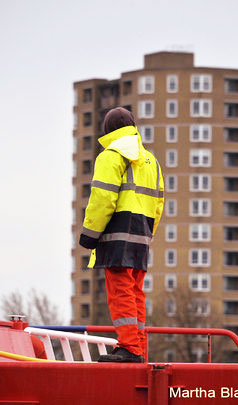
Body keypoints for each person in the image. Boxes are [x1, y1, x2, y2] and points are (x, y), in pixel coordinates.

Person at [79, 107, 164, 362]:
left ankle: (128, 347)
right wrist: (149, 235)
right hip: (142, 234)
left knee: (120, 291)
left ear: (108, 132)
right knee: (136, 292)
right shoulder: (152, 161)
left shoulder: (110, 156)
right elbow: (158, 203)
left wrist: (89, 234)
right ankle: (138, 348)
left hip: (118, 233)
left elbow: (102, 198)